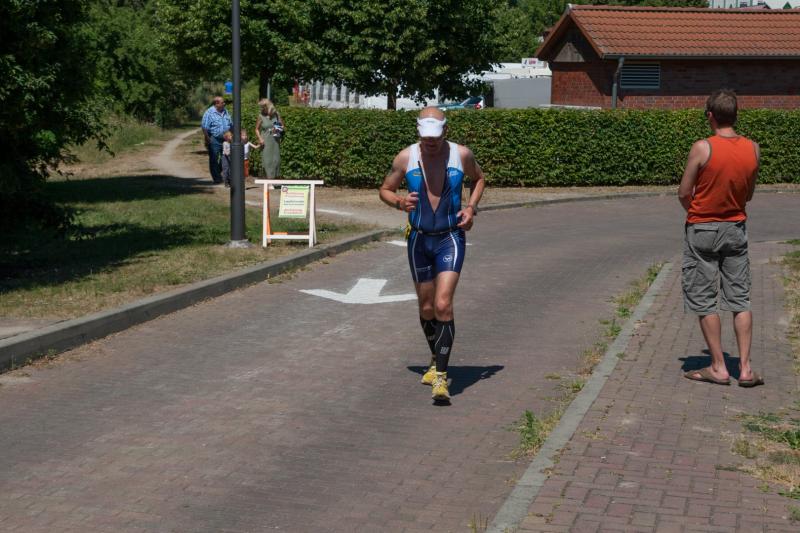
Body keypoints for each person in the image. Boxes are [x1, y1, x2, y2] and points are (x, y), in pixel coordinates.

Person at [378, 107, 486, 402]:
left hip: (450, 237)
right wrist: (399, 202)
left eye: (435, 138)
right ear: (418, 133)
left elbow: (479, 179)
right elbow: (385, 189)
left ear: (445, 131)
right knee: (427, 308)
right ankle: (436, 357)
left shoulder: (461, 155)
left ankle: (441, 377)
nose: (431, 143)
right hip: (418, 239)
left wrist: (471, 208)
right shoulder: (405, 157)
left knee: (442, 304)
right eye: (426, 138)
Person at [679, 89, 763, 388]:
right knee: (740, 298)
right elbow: (748, 194)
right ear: (736, 115)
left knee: (705, 298)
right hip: (735, 227)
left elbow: (684, 192)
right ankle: (746, 368)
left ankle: (717, 366)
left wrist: (698, 213)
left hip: (702, 228)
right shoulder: (753, 148)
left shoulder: (702, 148)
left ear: (710, 116)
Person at [201, 96, 232, 184]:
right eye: (222, 102)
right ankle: (217, 178)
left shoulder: (225, 111)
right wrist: (207, 138)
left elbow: (231, 124)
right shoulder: (209, 112)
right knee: (214, 158)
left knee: (226, 158)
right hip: (214, 139)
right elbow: (204, 127)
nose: (224, 103)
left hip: (226, 139)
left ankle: (220, 173)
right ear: (216, 103)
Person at [255, 99, 284, 178]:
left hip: (275, 140)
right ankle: (269, 181)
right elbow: (256, 129)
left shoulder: (276, 114)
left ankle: (274, 180)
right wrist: (260, 138)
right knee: (267, 162)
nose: (261, 109)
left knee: (276, 161)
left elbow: (282, 126)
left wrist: (277, 128)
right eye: (261, 107)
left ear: (268, 107)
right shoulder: (261, 116)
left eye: (263, 107)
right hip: (266, 141)